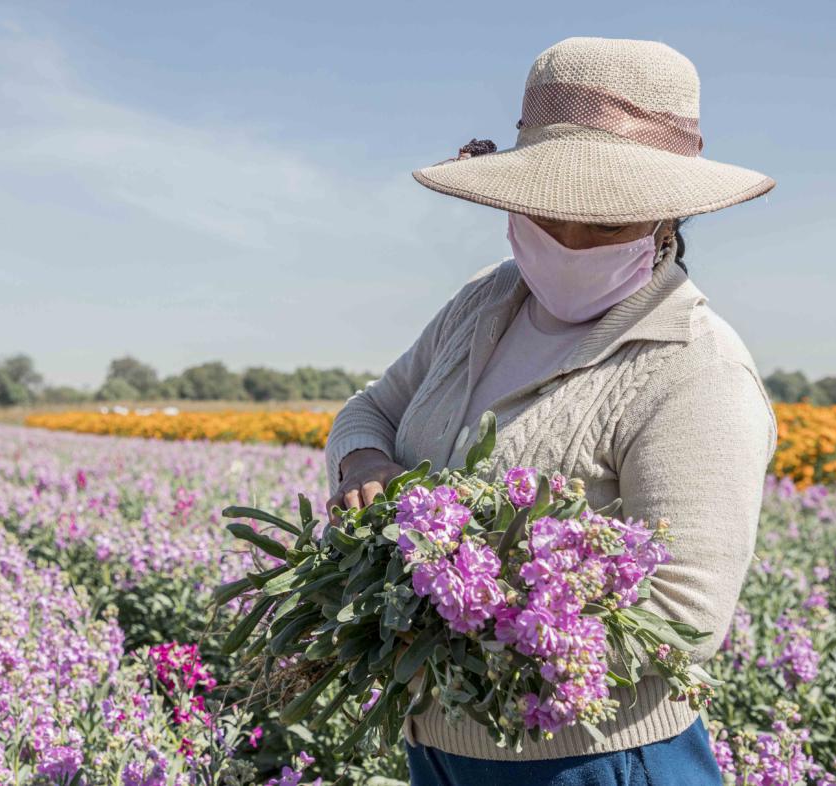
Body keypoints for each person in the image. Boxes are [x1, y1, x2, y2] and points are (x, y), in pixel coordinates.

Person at [322, 37, 778, 785]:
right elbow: (370, 407)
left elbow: (686, 617)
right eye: (545, 215)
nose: (567, 241)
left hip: (594, 758)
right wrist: (364, 461)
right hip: (441, 746)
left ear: (666, 217)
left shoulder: (695, 369)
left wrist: (477, 620)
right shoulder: (484, 301)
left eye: (604, 223)